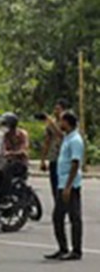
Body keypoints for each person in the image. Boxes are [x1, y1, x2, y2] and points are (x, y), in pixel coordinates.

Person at [45, 111, 84, 261]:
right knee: (59, 217)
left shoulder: (75, 140)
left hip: (70, 184)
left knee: (73, 217)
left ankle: (76, 250)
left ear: (67, 123)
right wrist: (50, 122)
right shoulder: (68, 137)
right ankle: (63, 248)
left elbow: (75, 163)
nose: (60, 124)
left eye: (61, 121)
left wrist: (68, 187)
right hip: (62, 183)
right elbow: (59, 135)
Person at [40, 99, 68, 204]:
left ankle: (65, 206)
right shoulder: (51, 124)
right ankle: (58, 206)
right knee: (54, 184)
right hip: (54, 157)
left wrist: (52, 123)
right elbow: (47, 141)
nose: (56, 111)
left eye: (58, 109)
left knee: (64, 185)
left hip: (65, 158)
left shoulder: (68, 123)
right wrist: (43, 160)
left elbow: (62, 136)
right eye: (55, 109)